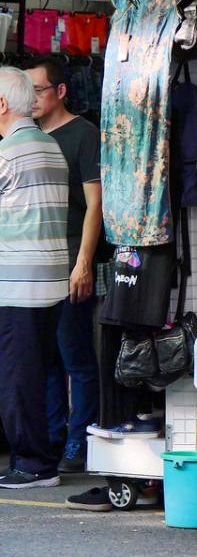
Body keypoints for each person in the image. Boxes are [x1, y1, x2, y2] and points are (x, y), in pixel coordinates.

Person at [26, 57, 103, 473]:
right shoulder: (28, 138)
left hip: (71, 258)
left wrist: (84, 263)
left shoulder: (83, 135)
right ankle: (55, 438)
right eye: (29, 92)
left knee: (75, 356)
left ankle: (80, 440)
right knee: (46, 358)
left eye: (39, 90)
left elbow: (96, 206)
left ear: (60, 91)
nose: (33, 99)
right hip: (35, 264)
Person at [0, 66, 70, 489]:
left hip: (17, 283)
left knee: (16, 375)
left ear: (2, 105)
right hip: (50, 280)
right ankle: (43, 455)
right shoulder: (50, 147)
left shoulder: (8, 154)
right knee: (42, 370)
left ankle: (32, 463)